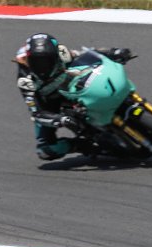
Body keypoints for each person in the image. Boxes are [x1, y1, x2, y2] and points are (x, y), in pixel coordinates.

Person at [15, 33, 135, 161]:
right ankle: (80, 145)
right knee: (45, 150)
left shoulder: (63, 53)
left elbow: (89, 54)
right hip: (48, 102)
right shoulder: (25, 80)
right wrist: (61, 119)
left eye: (47, 60)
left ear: (56, 55)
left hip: (68, 85)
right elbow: (37, 113)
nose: (42, 65)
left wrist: (112, 52)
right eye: (36, 61)